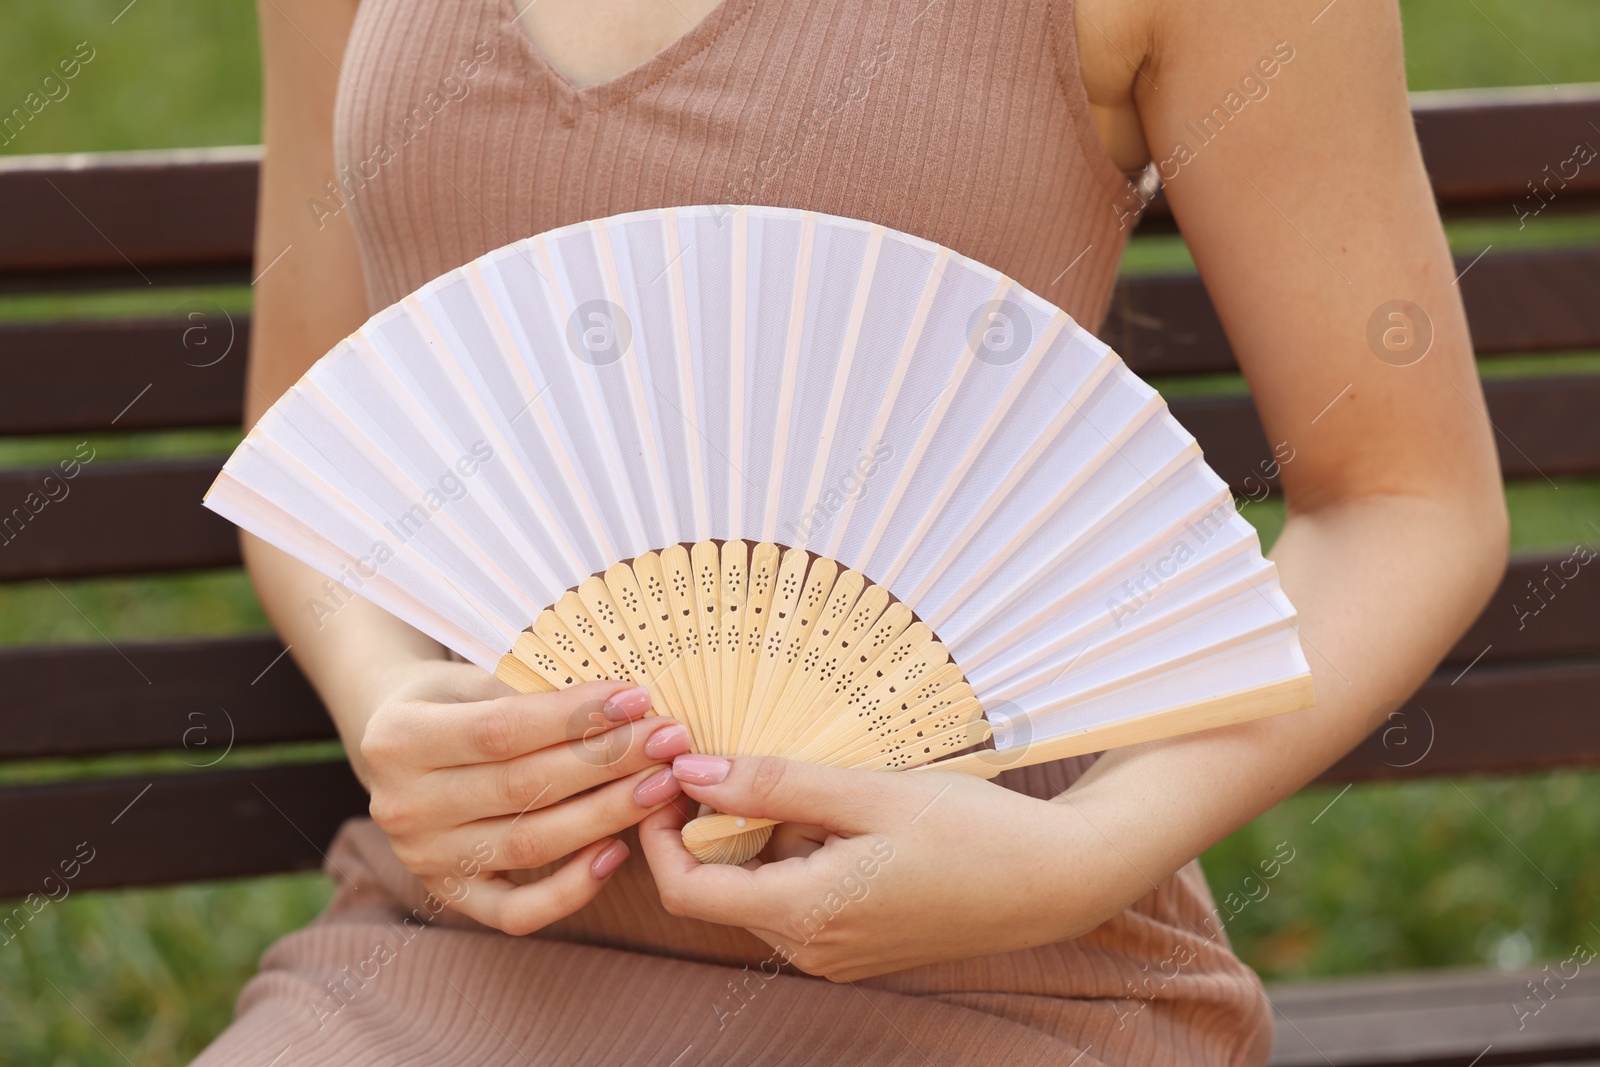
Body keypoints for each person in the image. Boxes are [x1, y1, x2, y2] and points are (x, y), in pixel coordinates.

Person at [193, 0, 1507, 1062]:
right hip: (468, 958)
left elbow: (1404, 503)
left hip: (1004, 977)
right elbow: (313, 449)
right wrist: (392, 705)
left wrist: (1074, 859)